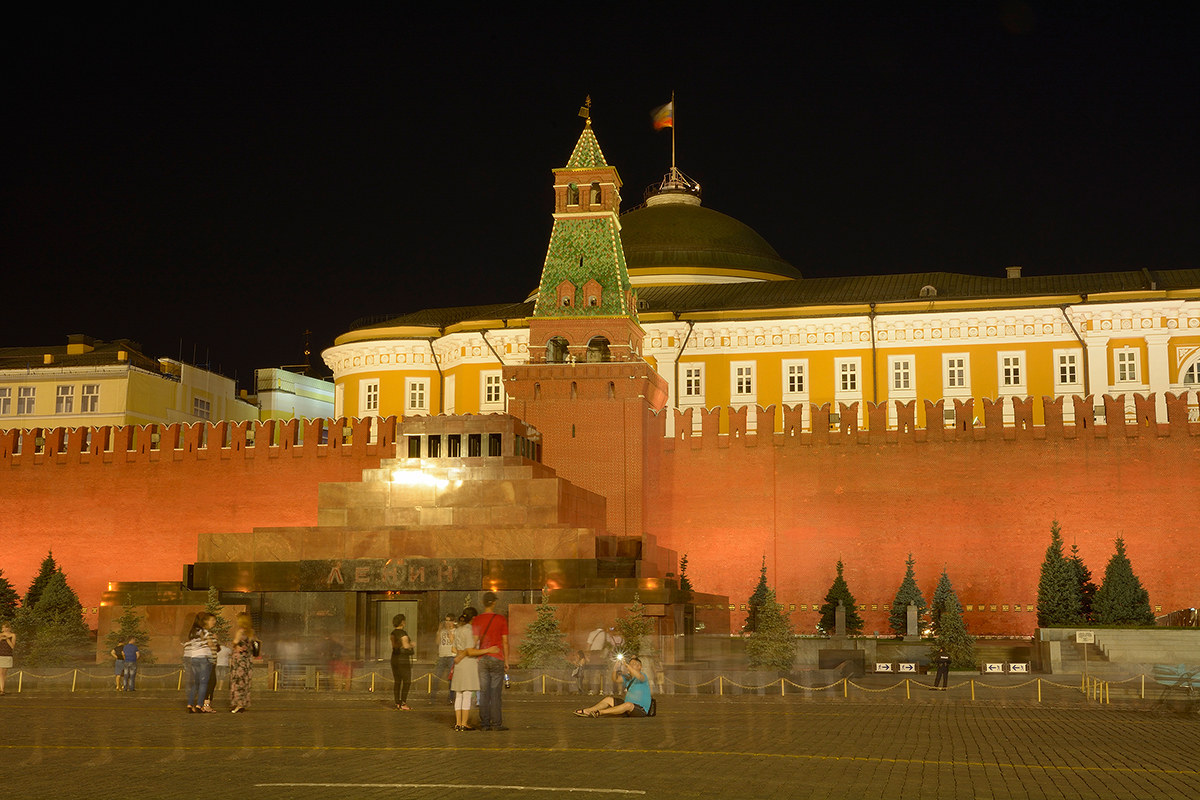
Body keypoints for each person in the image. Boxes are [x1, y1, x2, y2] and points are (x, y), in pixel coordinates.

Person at [451, 607, 498, 731]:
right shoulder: (471, 630)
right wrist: (488, 650)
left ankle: (458, 723)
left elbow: (454, 648)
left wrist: (460, 654)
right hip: (468, 663)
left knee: (459, 694)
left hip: (459, 663)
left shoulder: (458, 630)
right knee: (466, 694)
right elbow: (471, 651)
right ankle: (464, 724)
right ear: (473, 618)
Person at [472, 592, 509, 732]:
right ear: (493, 603)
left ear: (483, 603)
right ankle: (497, 723)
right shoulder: (500, 619)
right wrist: (507, 660)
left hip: (482, 658)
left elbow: (474, 641)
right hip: (497, 657)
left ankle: (485, 724)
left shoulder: (477, 620)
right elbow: (505, 641)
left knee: (484, 692)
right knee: (495, 693)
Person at [574, 655, 652, 718]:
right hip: (626, 707)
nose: (631, 666)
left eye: (634, 664)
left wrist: (627, 665)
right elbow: (615, 679)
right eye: (630, 664)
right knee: (608, 699)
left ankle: (600, 712)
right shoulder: (628, 677)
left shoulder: (643, 676)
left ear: (640, 667)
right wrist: (615, 668)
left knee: (628, 705)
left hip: (640, 710)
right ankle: (588, 710)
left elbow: (638, 676)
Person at [183, 612, 217, 713]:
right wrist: (214, 642)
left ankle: (190, 704)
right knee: (204, 683)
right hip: (204, 658)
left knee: (196, 683)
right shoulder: (204, 631)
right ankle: (199, 705)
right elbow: (210, 644)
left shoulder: (193, 632)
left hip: (194, 658)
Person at [229, 613, 257, 713]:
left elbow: (235, 642)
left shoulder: (240, 631)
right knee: (245, 681)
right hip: (248, 659)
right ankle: (244, 703)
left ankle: (239, 704)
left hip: (239, 659)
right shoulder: (251, 632)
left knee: (238, 680)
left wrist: (235, 645)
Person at [390, 613, 414, 710]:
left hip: (394, 659)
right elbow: (406, 645)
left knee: (397, 681)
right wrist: (412, 645)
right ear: (402, 622)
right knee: (407, 681)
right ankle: (403, 702)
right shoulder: (402, 633)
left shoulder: (393, 633)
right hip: (403, 660)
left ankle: (397, 703)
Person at [435, 613, 456, 704]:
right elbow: (437, 642)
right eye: (446, 621)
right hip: (442, 656)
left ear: (453, 622)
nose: (447, 623)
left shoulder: (456, 631)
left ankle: (451, 698)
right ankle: (433, 698)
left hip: (451, 656)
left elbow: (452, 641)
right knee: (436, 677)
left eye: (449, 621)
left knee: (451, 679)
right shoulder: (442, 631)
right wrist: (439, 630)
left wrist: (448, 629)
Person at [586, 625, 610, 694]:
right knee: (602, 673)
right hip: (602, 655)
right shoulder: (606, 634)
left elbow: (588, 645)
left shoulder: (592, 633)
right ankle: (602, 690)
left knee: (593, 672)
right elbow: (609, 645)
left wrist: (587, 655)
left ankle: (592, 690)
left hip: (593, 654)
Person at [0, 622, 15, 696]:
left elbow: (12, 646)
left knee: (4, 673)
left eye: (6, 627)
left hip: (8, 655)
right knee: (0, 673)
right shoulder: (0, 635)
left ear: (9, 628)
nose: (4, 629)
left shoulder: (13, 635)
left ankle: (2, 689)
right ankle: (1, 689)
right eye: (3, 627)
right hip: (0, 655)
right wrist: (1, 638)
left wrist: (7, 639)